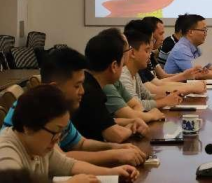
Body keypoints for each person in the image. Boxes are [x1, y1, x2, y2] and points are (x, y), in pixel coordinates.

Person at [2, 48, 146, 166]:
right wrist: (115, 155)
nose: (82, 91)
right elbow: (62, 159)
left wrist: (116, 147)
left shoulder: (58, 109)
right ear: (55, 88)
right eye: (77, 86)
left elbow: (80, 144)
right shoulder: (34, 109)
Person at [0, 85, 139, 182]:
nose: (57, 139)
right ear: (28, 127)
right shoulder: (6, 154)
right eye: (55, 131)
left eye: (60, 132)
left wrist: (112, 172)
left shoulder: (38, 146)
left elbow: (68, 165)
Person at [71, 29, 149, 143]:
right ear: (114, 66)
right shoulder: (91, 92)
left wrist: (132, 121)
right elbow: (115, 135)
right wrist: (131, 128)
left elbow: (105, 121)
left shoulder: (90, 81)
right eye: (122, 64)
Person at [124, 19, 207, 97]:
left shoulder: (139, 67)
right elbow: (154, 90)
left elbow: (158, 83)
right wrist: (190, 87)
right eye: (152, 40)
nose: (163, 38)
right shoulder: (130, 70)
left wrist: (185, 77)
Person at [99, 29, 167, 123]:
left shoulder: (120, 77)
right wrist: (150, 116)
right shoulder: (113, 79)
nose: (149, 54)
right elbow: (127, 114)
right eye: (128, 49)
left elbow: (136, 105)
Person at [121, 26, 186, 111]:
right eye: (146, 51)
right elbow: (137, 105)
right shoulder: (123, 75)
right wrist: (165, 101)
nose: (149, 55)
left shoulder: (135, 74)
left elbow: (147, 96)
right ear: (132, 52)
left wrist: (168, 95)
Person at [138, 17, 207, 84]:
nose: (163, 38)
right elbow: (154, 85)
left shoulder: (150, 55)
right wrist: (184, 76)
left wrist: (185, 75)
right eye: (160, 34)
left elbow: (162, 76)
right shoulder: (175, 46)